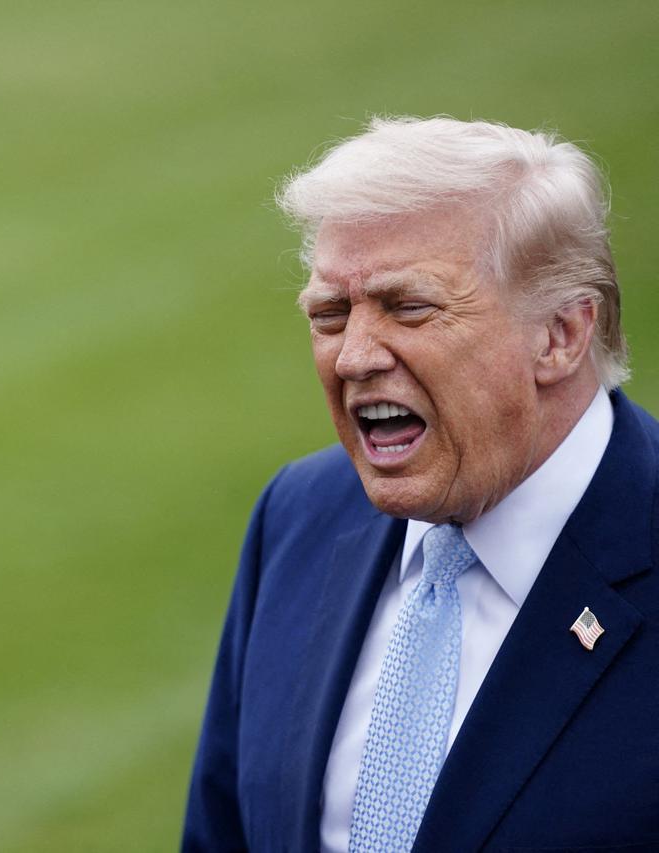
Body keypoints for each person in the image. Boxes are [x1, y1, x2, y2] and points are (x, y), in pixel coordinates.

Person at [181, 117, 659, 852]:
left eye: (409, 306)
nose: (354, 357)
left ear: (561, 334)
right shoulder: (299, 516)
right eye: (330, 315)